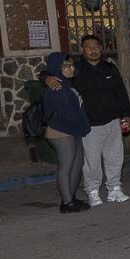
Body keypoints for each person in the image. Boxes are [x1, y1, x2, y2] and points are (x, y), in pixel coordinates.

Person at [44, 35, 130, 206]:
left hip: (113, 121)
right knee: (91, 161)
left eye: (96, 46)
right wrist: (46, 78)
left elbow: (121, 93)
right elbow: (55, 71)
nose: (93, 49)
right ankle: (92, 191)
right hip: (89, 125)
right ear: (82, 50)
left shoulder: (109, 68)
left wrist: (127, 115)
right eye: (88, 46)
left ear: (101, 48)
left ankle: (114, 188)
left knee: (115, 158)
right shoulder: (75, 69)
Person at [41, 52, 91, 213]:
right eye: (66, 66)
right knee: (66, 165)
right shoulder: (57, 86)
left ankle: (71, 196)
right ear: (57, 68)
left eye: (71, 65)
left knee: (77, 163)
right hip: (61, 131)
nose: (71, 68)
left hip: (73, 130)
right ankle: (67, 202)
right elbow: (66, 113)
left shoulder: (66, 84)